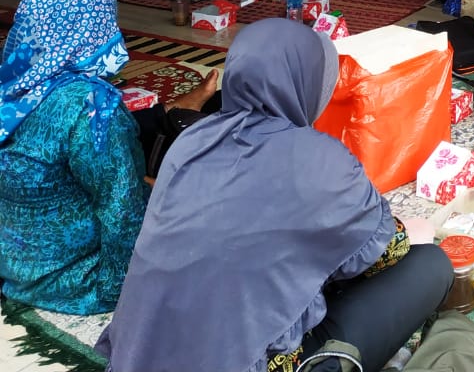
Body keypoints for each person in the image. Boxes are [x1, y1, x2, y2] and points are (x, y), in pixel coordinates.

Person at [97, 20, 453, 372]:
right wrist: (409, 230)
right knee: (430, 265)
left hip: (139, 353)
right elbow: (383, 253)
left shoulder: (191, 140)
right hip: (246, 362)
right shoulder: (319, 159)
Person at [0, 0, 143, 314]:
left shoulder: (10, 90)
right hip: (75, 282)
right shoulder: (94, 109)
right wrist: (121, 295)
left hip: (14, 271)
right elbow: (122, 212)